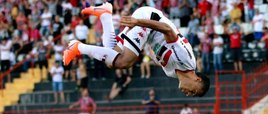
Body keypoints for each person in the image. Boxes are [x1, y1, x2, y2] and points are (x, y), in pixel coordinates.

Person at [63, 3, 210, 97]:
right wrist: (138, 22)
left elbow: (160, 55)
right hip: (150, 21)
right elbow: (168, 30)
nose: (189, 94)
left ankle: (105, 15)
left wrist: (146, 50)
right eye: (194, 91)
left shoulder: (173, 74)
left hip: (148, 34)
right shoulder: (186, 60)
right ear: (197, 79)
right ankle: (77, 47)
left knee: (111, 58)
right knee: (125, 61)